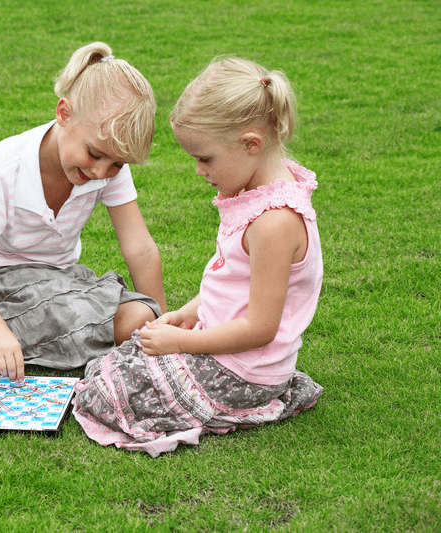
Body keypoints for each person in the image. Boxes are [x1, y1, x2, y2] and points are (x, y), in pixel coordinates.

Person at [73, 57, 324, 457]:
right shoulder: (255, 194)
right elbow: (233, 280)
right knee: (117, 364)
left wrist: (184, 342)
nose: (198, 171)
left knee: (109, 393)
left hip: (245, 371)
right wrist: (190, 313)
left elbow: (260, 328)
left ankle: (253, 401)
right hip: (222, 349)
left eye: (205, 158)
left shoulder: (275, 223)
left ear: (251, 144)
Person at [0, 42, 167, 383]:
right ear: (64, 113)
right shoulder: (4, 167)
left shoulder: (107, 165)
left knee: (137, 317)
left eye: (116, 163)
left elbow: (140, 248)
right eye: (94, 154)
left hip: (61, 281)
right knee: (77, 316)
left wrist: (161, 326)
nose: (101, 172)